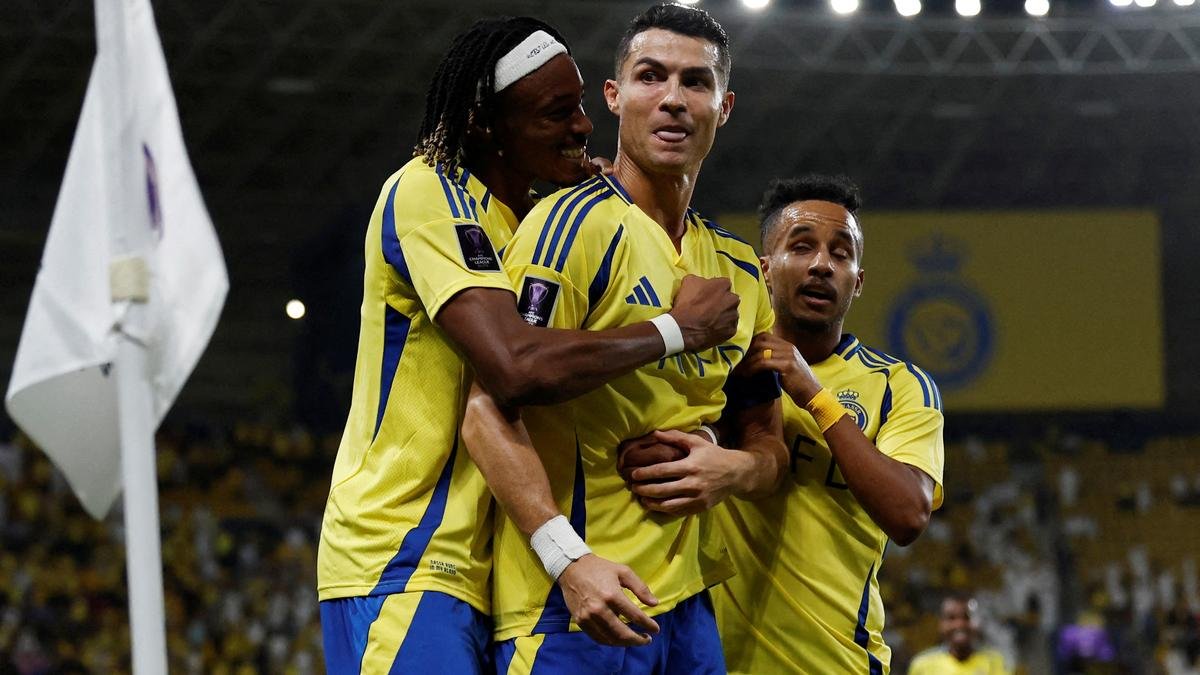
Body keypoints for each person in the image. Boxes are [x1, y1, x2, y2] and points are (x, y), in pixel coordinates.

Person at [316, 17, 741, 674]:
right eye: (555, 114)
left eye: (578, 105)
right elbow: (514, 368)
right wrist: (676, 331)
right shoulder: (430, 191)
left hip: (491, 568)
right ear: (487, 125)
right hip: (402, 555)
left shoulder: (530, 216)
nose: (582, 126)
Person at [460, 4, 787, 673]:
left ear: (724, 107)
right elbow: (486, 413)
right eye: (651, 76)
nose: (673, 99)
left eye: (696, 82)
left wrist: (733, 468)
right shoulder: (570, 227)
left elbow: (766, 436)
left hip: (687, 608)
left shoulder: (739, 267)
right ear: (614, 96)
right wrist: (568, 561)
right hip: (573, 607)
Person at [705, 175, 946, 673]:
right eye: (801, 247)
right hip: (712, 662)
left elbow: (909, 515)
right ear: (764, 268)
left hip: (839, 664)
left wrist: (815, 396)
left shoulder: (899, 385)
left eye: (841, 253)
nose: (821, 264)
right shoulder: (718, 367)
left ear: (857, 281)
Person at [909, 594, 1013, 675]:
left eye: (967, 617)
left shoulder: (994, 662)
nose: (959, 624)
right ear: (941, 623)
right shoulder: (923, 665)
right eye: (951, 618)